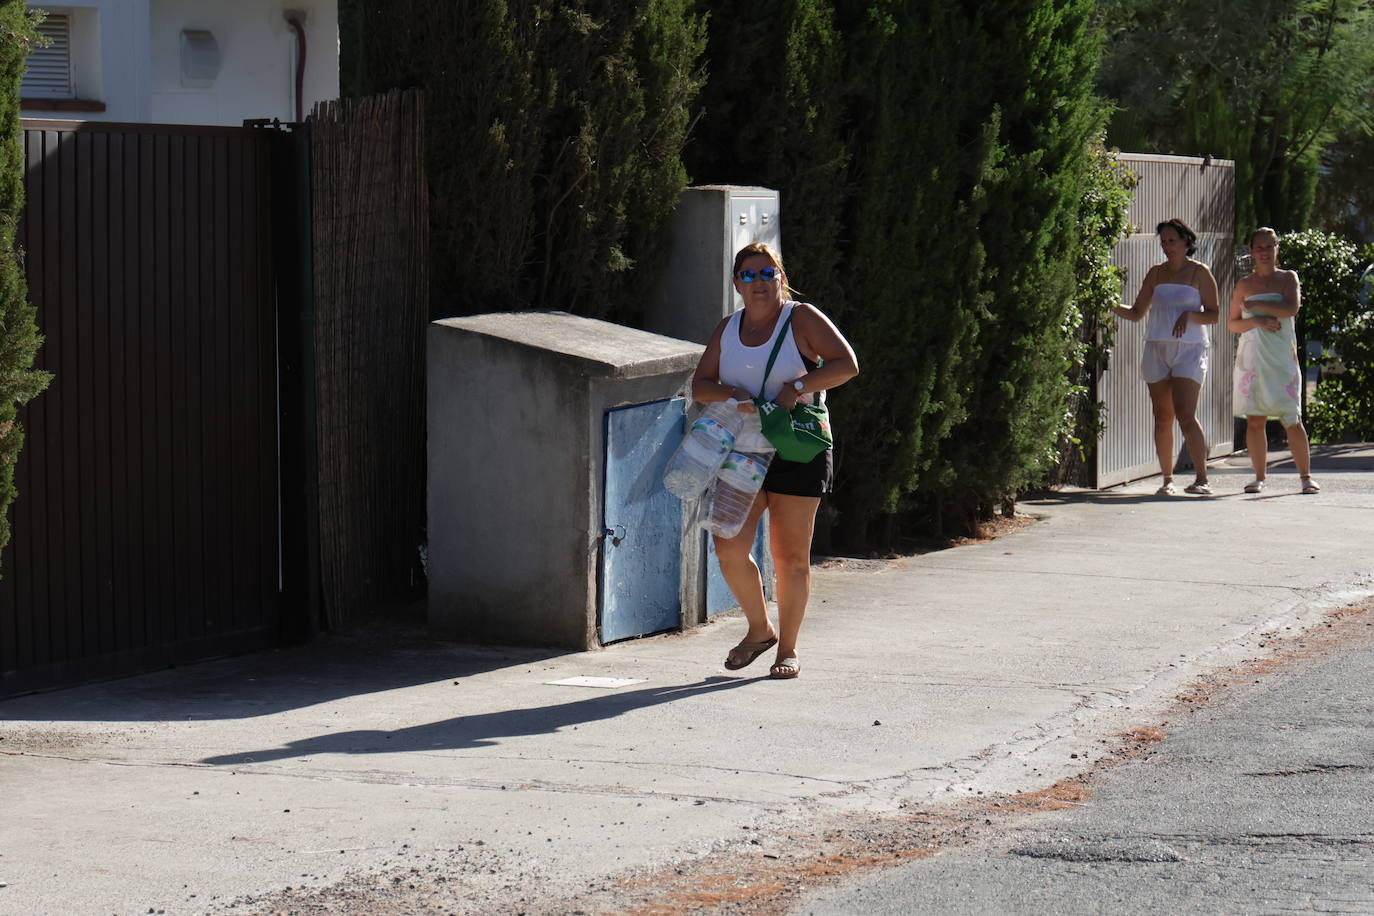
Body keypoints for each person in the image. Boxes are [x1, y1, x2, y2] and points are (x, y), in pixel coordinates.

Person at [690, 242, 858, 680]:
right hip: (742, 452)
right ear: (737, 284)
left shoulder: (800, 318)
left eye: (769, 274)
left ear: (781, 278)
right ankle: (759, 630)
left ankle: (788, 649)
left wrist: (797, 385)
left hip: (797, 449)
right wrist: (733, 393)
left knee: (790, 557)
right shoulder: (728, 328)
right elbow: (701, 386)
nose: (760, 283)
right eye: (750, 275)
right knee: (728, 547)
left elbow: (847, 365)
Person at [1112, 218, 1221, 495]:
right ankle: (1167, 480)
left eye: (1172, 241)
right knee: (1162, 415)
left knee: (1185, 414)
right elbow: (1137, 313)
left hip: (1190, 348)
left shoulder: (1200, 272)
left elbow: (1214, 314)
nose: (1167, 246)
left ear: (1186, 242)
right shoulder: (1156, 273)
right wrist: (1109, 303)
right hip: (1157, 347)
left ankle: (1201, 478)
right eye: (1163, 242)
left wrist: (1189, 314)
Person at [1229, 228, 1319, 494]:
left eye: (1269, 247)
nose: (1264, 252)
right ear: (1252, 251)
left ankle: (1305, 477)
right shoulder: (1244, 283)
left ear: (1276, 248)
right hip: (1253, 356)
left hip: (1281, 355)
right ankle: (1259, 477)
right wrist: (1255, 320)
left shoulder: (1288, 278)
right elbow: (1233, 323)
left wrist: (1257, 308)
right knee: (1255, 419)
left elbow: (1291, 308)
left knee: (1291, 417)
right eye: (1259, 247)